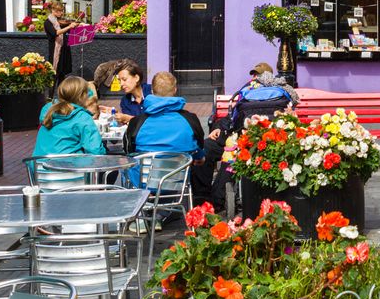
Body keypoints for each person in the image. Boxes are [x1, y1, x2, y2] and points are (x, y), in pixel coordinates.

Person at [192, 64, 297, 208]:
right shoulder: (247, 93)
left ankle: (217, 198)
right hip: (239, 137)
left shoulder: (276, 93)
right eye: (253, 75)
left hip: (252, 141)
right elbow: (231, 119)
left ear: (268, 77)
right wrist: (217, 128)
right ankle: (202, 196)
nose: (254, 78)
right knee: (207, 146)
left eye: (258, 75)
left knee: (231, 154)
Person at [124, 71, 204, 158]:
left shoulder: (137, 122)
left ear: (152, 91)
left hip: (145, 170)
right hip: (179, 169)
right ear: (175, 90)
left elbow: (129, 151)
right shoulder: (190, 119)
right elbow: (199, 146)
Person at [34, 75, 105, 156]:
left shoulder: (48, 111)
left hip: (39, 165)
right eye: (87, 92)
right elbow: (96, 151)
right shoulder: (82, 117)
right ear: (82, 96)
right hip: (67, 166)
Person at [43, 1, 76, 84]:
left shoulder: (60, 21)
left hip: (64, 50)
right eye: (59, 11)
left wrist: (79, 24)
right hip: (55, 51)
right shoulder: (48, 22)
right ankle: (50, 96)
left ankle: (61, 95)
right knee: (54, 75)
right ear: (53, 10)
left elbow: (69, 26)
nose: (61, 13)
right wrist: (69, 26)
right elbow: (55, 33)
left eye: (62, 11)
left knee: (62, 75)